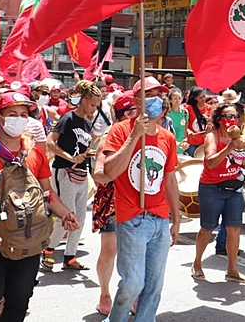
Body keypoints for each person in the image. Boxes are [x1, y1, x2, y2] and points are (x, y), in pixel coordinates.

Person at [0, 91, 80, 321]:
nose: (19, 119)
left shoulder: (34, 153)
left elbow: (47, 192)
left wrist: (64, 214)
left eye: (24, 114)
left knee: (18, 302)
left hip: (28, 239)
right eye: (12, 114)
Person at [95, 76, 180, 322]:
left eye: (159, 93)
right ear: (137, 101)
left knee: (154, 286)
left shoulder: (168, 138)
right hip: (132, 219)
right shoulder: (120, 131)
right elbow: (109, 172)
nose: (156, 98)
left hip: (160, 219)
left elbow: (170, 180)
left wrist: (176, 218)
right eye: (149, 93)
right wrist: (134, 136)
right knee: (133, 284)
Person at [42, 80, 101, 271]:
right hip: (64, 172)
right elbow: (50, 142)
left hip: (81, 174)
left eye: (97, 105)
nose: (94, 108)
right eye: (92, 104)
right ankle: (49, 250)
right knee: (66, 216)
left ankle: (70, 256)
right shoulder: (67, 118)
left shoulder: (86, 122)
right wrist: (69, 157)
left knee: (81, 218)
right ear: (83, 100)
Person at [191, 101, 245, 283]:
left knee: (234, 229)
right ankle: (197, 264)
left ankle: (232, 270)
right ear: (219, 118)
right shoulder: (212, 136)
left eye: (235, 116)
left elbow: (242, 160)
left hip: (233, 187)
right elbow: (210, 162)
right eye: (228, 116)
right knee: (207, 228)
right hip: (212, 188)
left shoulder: (240, 138)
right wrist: (229, 148)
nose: (232, 119)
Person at [91, 91, 137, 316]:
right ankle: (105, 293)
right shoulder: (111, 134)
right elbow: (99, 172)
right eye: (135, 111)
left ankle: (134, 293)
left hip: (138, 200)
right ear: (125, 113)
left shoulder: (144, 133)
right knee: (110, 251)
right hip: (114, 200)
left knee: (136, 251)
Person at [185, 86, 209, 157]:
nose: (203, 99)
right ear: (195, 98)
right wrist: (189, 132)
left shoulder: (209, 108)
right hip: (191, 141)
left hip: (204, 142)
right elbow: (185, 124)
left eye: (204, 96)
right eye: (200, 98)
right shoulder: (188, 108)